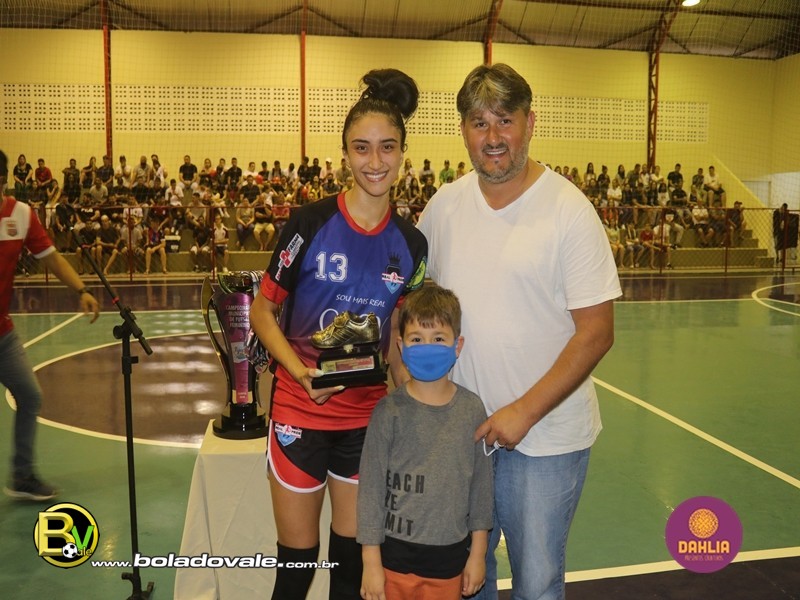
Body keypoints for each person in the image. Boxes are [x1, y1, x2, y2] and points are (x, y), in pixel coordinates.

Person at [417, 63, 621, 600]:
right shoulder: (443, 207)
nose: (493, 137)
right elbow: (412, 308)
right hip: (462, 437)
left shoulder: (568, 211)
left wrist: (523, 412)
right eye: (479, 123)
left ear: (530, 123)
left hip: (545, 441)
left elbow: (597, 332)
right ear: (463, 130)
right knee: (467, 583)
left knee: (536, 584)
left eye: (504, 120)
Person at [249, 68, 427, 600]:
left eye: (387, 147)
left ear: (403, 154)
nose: (375, 162)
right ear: (345, 154)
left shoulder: (412, 245)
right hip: (299, 414)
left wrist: (411, 404)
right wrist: (301, 373)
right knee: (297, 569)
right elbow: (262, 311)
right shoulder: (309, 223)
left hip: (366, 422)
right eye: (361, 148)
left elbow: (398, 337)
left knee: (351, 569)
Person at [357, 285, 493, 600]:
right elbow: (371, 491)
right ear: (401, 346)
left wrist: (478, 554)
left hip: (448, 562)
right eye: (417, 339)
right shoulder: (388, 411)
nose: (427, 347)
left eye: (438, 338)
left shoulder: (472, 410)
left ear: (457, 346)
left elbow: (481, 489)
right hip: (393, 561)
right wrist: (370, 562)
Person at [0, 149, 100, 500]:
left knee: (30, 396)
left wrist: (81, 290)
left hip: (3, 334)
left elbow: (52, 258)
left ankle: (22, 476)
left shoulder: (21, 214)